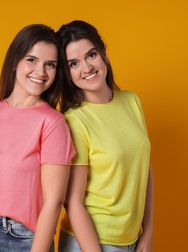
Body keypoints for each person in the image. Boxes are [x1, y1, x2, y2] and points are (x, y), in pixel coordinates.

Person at [0, 24, 76, 252]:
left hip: (22, 238)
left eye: (50, 65)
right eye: (32, 60)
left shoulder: (52, 123)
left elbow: (54, 202)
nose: (41, 72)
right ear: (15, 61)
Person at [56, 20, 154, 252]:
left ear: (104, 54)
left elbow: (145, 169)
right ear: (67, 73)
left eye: (91, 55)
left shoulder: (131, 101)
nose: (87, 67)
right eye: (74, 63)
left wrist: (148, 231)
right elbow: (73, 202)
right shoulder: (75, 121)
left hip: (132, 238)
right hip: (91, 242)